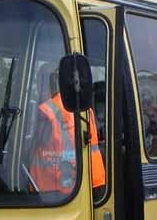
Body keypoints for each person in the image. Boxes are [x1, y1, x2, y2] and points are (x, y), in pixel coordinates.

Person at [29, 66, 105, 194]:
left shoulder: (46, 111)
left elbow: (45, 156)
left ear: (48, 85)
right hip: (93, 183)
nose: (39, 90)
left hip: (54, 191)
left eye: (41, 83)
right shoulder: (86, 110)